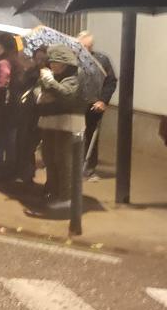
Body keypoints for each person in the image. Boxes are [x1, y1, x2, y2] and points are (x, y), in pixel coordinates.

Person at [35, 45, 87, 211]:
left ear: (65, 63)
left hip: (67, 124)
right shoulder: (54, 75)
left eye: (56, 62)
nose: (52, 65)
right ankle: (53, 191)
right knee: (50, 158)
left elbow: (66, 96)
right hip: (51, 122)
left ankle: (66, 197)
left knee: (64, 160)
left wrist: (50, 83)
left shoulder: (74, 77)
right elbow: (40, 92)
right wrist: (44, 89)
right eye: (51, 62)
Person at [76, 31, 117, 181]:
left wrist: (103, 100)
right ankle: (72, 166)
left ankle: (89, 169)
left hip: (94, 104)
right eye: (83, 46)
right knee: (74, 135)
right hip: (75, 104)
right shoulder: (72, 59)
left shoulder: (102, 60)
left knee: (91, 135)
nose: (86, 49)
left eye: (89, 46)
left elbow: (111, 82)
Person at [0, 34, 21, 181]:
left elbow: (0, 85)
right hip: (15, 108)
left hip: (2, 110)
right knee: (11, 143)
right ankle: (11, 172)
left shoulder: (3, 63)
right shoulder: (18, 62)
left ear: (1, 45)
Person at [15, 47, 49, 183]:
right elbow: (21, 87)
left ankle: (46, 180)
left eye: (43, 59)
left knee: (45, 148)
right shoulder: (31, 72)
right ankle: (27, 173)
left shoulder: (49, 74)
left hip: (44, 115)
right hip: (29, 115)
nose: (40, 61)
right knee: (27, 145)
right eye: (37, 58)